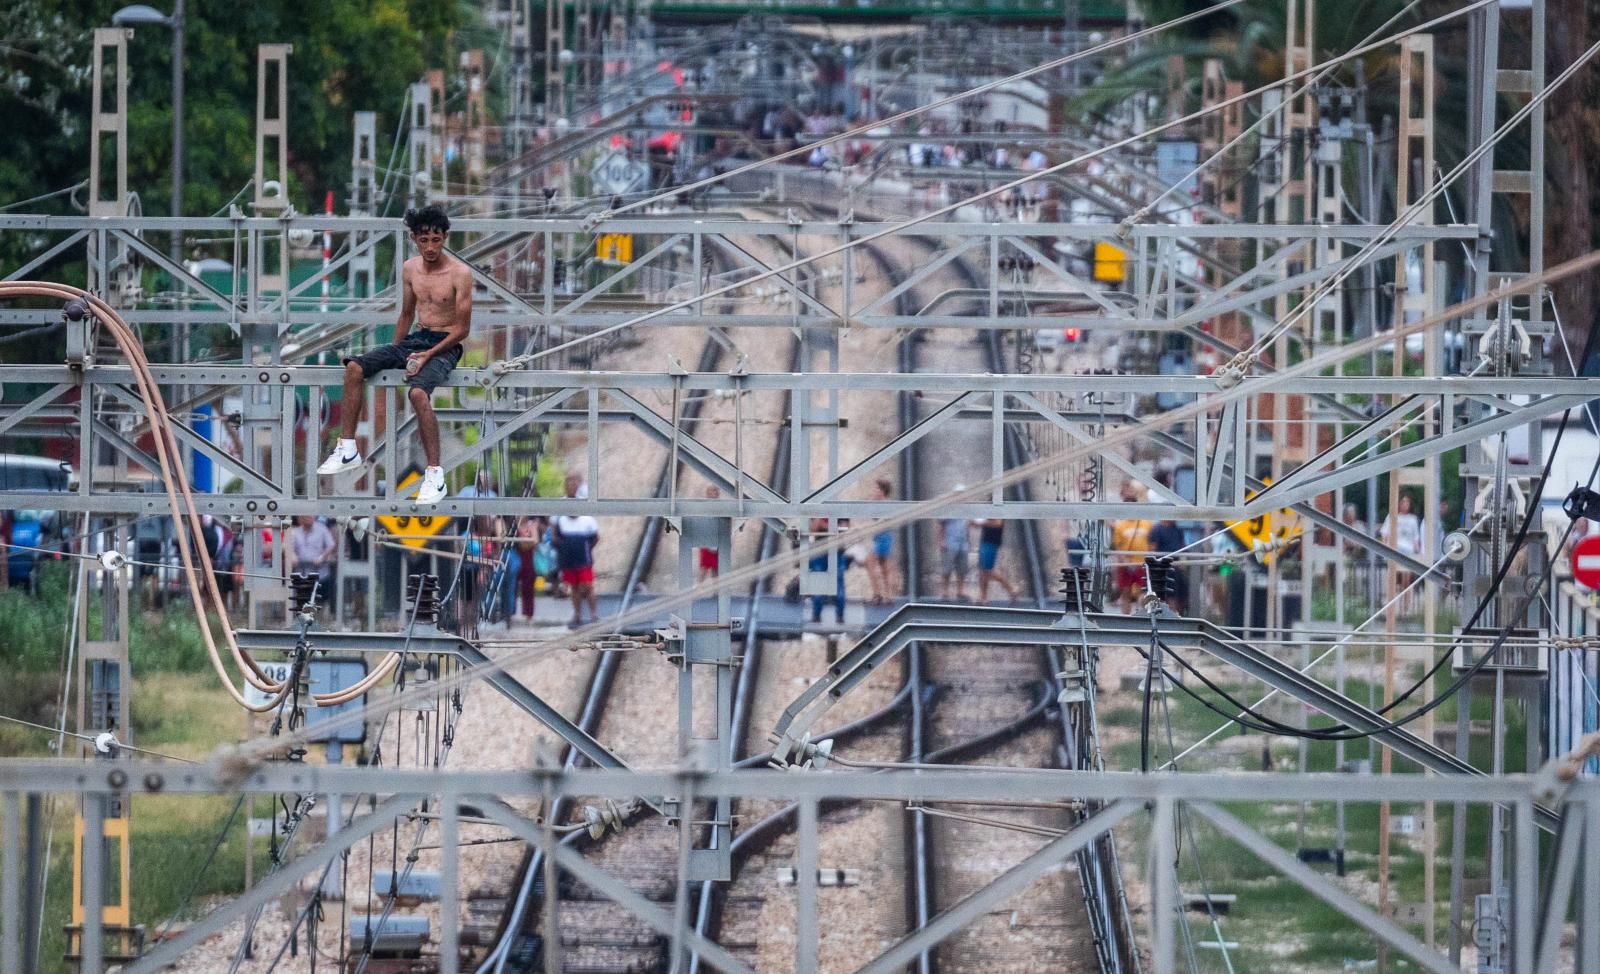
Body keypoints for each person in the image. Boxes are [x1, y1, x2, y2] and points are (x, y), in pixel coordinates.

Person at [318, 205, 473, 505]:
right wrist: (395, 352)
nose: (430, 247)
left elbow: (462, 329)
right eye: (424, 240)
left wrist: (427, 356)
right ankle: (347, 447)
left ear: (445, 238)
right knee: (354, 368)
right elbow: (406, 313)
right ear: (414, 238)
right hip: (416, 337)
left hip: (446, 343)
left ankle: (434, 474)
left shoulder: (459, 274)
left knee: (417, 394)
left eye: (437, 240)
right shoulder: (409, 268)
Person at [552, 474, 600, 628]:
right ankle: (578, 614)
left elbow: (595, 536)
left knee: (587, 584)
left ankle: (593, 613)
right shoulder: (562, 516)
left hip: (582, 554)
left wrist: (587, 547)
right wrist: (561, 547)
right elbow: (554, 531)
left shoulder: (585, 513)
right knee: (573, 586)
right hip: (568, 555)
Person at [1110, 481, 1153, 612]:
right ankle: (1126, 618)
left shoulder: (1146, 523)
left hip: (1142, 563)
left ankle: (1140, 615)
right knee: (1125, 592)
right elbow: (1117, 546)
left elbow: (1150, 543)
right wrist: (1124, 561)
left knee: (1143, 592)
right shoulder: (1120, 525)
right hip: (1126, 564)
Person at [807, 516, 849, 625]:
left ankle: (840, 616)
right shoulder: (817, 511)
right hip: (820, 552)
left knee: (838, 584)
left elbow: (844, 528)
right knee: (819, 585)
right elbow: (813, 530)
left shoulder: (839, 510)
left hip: (836, 552)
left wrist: (824, 526)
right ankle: (817, 615)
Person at [973, 516, 1018, 605]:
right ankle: (983, 596)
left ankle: (1011, 588)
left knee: (988, 570)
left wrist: (981, 523)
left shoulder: (997, 508)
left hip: (991, 542)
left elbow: (998, 523)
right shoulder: (989, 509)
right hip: (985, 540)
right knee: (983, 570)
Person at [866, 478, 897, 605]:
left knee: (871, 563)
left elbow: (882, 522)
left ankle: (878, 594)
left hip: (883, 537)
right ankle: (887, 596)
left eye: (876, 488)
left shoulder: (886, 505)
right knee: (884, 567)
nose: (873, 491)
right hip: (880, 537)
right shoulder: (875, 504)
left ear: (882, 491)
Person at [1147, 518, 1188, 613]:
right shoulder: (1157, 530)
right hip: (1162, 568)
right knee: (1167, 596)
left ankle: (1176, 616)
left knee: (1181, 596)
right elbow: (1152, 549)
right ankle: (1168, 615)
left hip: (1175, 567)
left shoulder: (1177, 530)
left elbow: (1182, 546)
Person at [939, 486, 971, 600]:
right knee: (947, 568)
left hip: (962, 543)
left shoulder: (967, 509)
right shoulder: (948, 509)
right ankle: (945, 591)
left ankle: (960, 591)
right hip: (950, 541)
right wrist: (941, 541)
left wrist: (968, 540)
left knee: (962, 568)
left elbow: (967, 526)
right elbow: (941, 525)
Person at [289, 515, 337, 589]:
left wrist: (321, 557)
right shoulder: (295, 532)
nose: (307, 518)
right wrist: (293, 556)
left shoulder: (322, 529)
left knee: (320, 596)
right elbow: (290, 546)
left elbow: (331, 545)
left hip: (320, 573)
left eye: (310, 516)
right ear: (299, 519)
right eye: (304, 517)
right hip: (300, 573)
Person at [513, 516, 543, 623]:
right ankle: (511, 612)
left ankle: (528, 613)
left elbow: (535, 541)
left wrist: (523, 543)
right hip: (516, 559)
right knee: (513, 587)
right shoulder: (513, 526)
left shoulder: (531, 525)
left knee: (528, 588)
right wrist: (526, 542)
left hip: (529, 561)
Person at [697, 485, 722, 582]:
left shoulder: (720, 507)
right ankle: (698, 590)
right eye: (714, 490)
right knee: (705, 566)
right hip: (706, 540)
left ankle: (716, 592)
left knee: (716, 569)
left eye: (717, 490)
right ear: (708, 493)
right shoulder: (704, 506)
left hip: (716, 539)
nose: (717, 493)